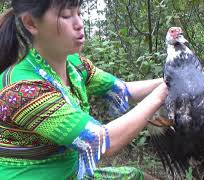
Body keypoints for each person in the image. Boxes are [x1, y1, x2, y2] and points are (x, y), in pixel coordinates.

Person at [0, 0, 168, 179]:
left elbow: (123, 90)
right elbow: (102, 142)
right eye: (66, 16)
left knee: (136, 176)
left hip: (71, 175)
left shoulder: (74, 65)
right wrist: (161, 94)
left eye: (79, 13)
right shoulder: (22, 89)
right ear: (31, 23)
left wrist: (171, 80)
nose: (79, 24)